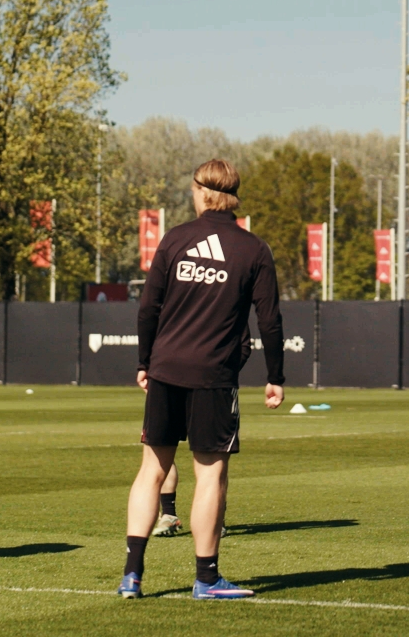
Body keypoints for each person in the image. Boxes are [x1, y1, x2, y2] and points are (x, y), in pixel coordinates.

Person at [120, 159, 285, 601]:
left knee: (151, 471)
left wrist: (144, 362)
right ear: (234, 195)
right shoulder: (253, 249)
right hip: (214, 375)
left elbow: (148, 308)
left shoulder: (175, 239)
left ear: (200, 191)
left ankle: (131, 577)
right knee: (210, 476)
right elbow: (269, 321)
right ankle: (206, 579)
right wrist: (275, 376)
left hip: (166, 369)